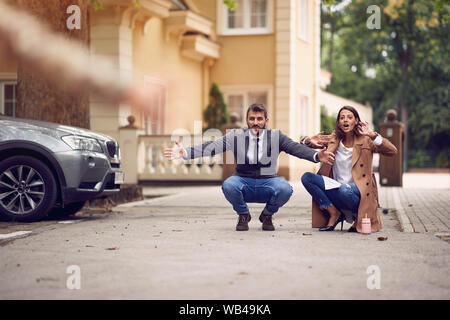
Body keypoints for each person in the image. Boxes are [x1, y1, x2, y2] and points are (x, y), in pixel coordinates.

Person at [164, 103, 334, 231]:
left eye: (259, 119)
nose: (255, 122)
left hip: (268, 182)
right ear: (247, 120)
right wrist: (184, 152)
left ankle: (267, 215)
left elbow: (295, 148)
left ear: (266, 121)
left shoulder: (276, 136)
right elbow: (211, 146)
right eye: (252, 119)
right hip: (242, 181)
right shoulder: (235, 136)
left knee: (285, 189)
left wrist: (317, 156)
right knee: (229, 185)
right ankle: (243, 215)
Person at [300, 106, 397, 233]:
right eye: (342, 118)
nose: (345, 120)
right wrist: (306, 140)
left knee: (345, 190)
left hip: (358, 189)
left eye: (349, 117)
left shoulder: (366, 139)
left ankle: (359, 216)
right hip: (337, 186)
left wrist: (373, 135)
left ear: (356, 121)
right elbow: (305, 144)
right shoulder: (334, 139)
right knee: (307, 178)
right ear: (339, 123)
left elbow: (392, 151)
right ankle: (333, 212)